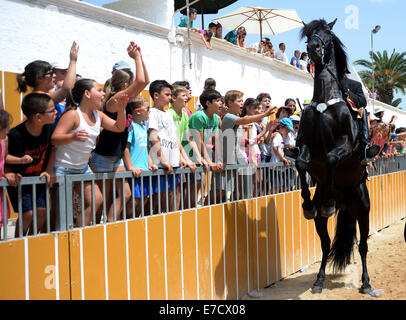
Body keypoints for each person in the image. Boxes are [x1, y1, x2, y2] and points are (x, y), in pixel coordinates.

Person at [51, 78, 129, 227]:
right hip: (63, 168)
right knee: (60, 212)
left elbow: (119, 127)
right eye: (99, 90)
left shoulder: (98, 115)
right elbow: (55, 139)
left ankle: (80, 234)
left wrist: (121, 110)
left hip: (82, 168)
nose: (102, 94)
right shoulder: (73, 114)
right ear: (87, 93)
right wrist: (72, 136)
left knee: (96, 199)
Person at [91, 42, 149, 222]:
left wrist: (140, 55)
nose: (136, 88)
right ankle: (97, 230)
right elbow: (141, 81)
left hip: (116, 156)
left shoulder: (124, 98)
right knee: (102, 199)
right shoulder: (115, 100)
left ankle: (110, 225)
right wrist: (137, 58)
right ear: (125, 85)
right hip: (103, 155)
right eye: (131, 84)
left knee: (125, 194)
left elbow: (144, 81)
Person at [285, 77, 381, 163]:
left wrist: (346, 91)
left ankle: (365, 147)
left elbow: (362, 102)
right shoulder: (326, 83)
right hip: (328, 118)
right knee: (306, 111)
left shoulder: (355, 84)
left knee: (363, 111)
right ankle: (298, 148)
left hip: (348, 121)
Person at [6, 93, 56, 236]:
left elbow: (53, 149)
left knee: (42, 212)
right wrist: (8, 172)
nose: (56, 112)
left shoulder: (49, 128)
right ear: (38, 117)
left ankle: (32, 242)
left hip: (39, 180)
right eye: (52, 110)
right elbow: (3, 156)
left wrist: (49, 170)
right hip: (20, 182)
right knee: (27, 214)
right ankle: (18, 242)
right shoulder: (15, 135)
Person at [218, 90, 276, 200]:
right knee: (219, 193)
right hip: (227, 160)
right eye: (239, 101)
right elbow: (244, 125)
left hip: (237, 159)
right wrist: (264, 115)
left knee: (239, 190)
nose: (242, 103)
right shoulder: (229, 117)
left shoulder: (238, 118)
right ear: (230, 103)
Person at [148, 80, 195, 214]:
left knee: (169, 198)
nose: (170, 97)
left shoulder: (167, 114)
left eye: (170, 95)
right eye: (167, 94)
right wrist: (163, 159)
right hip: (161, 164)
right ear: (156, 95)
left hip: (173, 163)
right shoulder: (153, 113)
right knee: (157, 200)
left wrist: (180, 158)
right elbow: (153, 137)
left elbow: (174, 139)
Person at [122, 96, 156, 217]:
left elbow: (146, 149)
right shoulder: (131, 127)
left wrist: (150, 163)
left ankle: (134, 223)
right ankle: (127, 223)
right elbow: (125, 148)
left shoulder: (143, 127)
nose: (149, 111)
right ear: (137, 111)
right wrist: (131, 166)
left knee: (144, 199)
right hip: (134, 172)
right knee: (134, 201)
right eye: (147, 108)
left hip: (144, 171)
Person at [0, 110, 19, 237]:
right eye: (7, 125)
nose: (9, 128)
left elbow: (4, 159)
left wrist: (20, 160)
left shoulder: (2, 143)